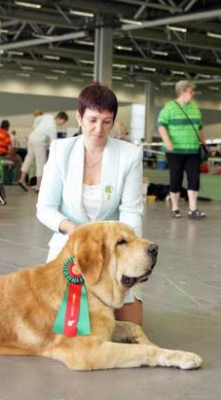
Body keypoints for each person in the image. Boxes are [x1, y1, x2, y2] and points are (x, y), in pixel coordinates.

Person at [36, 83, 144, 325]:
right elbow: (45, 208)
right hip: (69, 245)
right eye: (93, 119)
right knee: (60, 327)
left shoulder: (130, 155)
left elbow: (131, 211)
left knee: (132, 327)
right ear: (79, 116)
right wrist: (74, 230)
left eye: (107, 121)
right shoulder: (61, 150)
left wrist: (128, 251)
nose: (99, 128)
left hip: (113, 250)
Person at [157, 80, 208, 220]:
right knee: (176, 178)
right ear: (182, 92)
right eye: (191, 91)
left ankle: (193, 209)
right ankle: (175, 208)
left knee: (194, 178)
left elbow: (200, 127)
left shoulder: (195, 108)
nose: (193, 94)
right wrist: (167, 141)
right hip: (175, 151)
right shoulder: (169, 108)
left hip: (193, 150)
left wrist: (204, 143)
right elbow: (161, 126)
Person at [17, 110, 68, 192]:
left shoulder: (48, 116)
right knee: (41, 163)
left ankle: (22, 179)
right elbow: (53, 142)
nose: (62, 124)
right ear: (61, 119)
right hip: (39, 142)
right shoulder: (53, 127)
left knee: (28, 158)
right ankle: (38, 186)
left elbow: (36, 120)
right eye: (63, 122)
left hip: (31, 137)